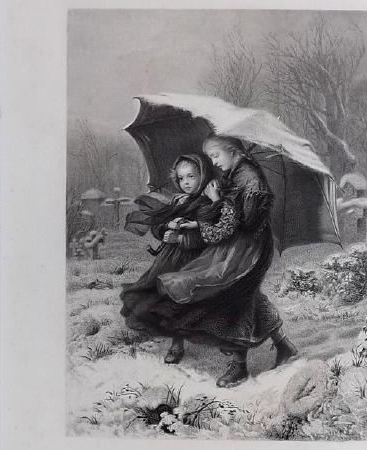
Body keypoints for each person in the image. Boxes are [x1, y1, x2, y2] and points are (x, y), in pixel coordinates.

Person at [142, 135, 298, 387]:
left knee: (234, 297)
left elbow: (244, 224)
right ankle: (284, 345)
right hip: (237, 247)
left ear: (234, 151)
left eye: (216, 155)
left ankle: (239, 366)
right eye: (211, 157)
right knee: (249, 297)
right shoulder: (236, 174)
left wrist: (218, 201)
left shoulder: (251, 180)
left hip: (250, 248)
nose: (213, 161)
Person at [120, 154, 222, 363]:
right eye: (181, 178)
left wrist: (182, 238)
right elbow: (158, 225)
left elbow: (209, 236)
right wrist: (166, 229)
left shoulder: (207, 202)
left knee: (183, 300)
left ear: (203, 175)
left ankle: (190, 340)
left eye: (191, 176)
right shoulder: (177, 199)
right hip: (168, 258)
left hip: (194, 259)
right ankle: (175, 342)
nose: (186, 182)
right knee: (161, 297)